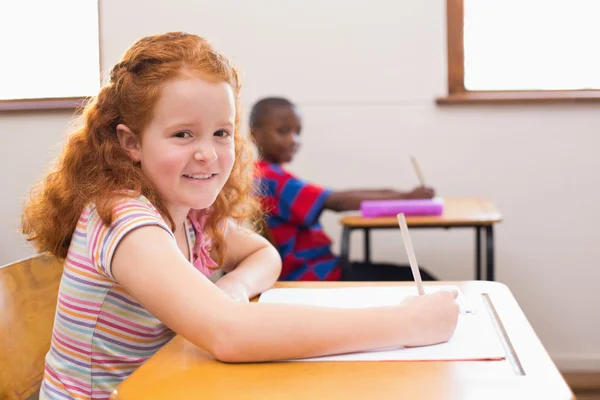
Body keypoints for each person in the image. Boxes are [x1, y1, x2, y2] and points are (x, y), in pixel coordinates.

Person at [21, 32, 458, 399]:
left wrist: (229, 290)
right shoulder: (124, 219)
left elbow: (264, 255)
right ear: (131, 143)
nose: (207, 152)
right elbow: (231, 335)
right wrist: (406, 323)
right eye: (182, 134)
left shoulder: (190, 213)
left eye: (221, 132)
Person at [251, 97, 439, 282]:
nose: (293, 140)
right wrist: (405, 197)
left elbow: (332, 195)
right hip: (313, 275)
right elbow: (336, 201)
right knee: (419, 278)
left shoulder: (260, 174)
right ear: (254, 134)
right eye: (283, 132)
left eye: (298, 132)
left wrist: (400, 194)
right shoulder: (271, 179)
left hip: (313, 269)